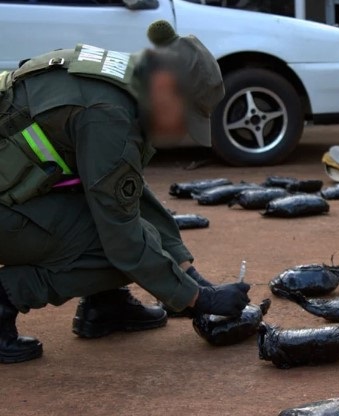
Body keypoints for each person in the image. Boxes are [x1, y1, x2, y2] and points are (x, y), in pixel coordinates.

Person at [0, 20, 251, 364]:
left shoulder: (119, 76)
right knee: (120, 246)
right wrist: (197, 299)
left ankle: (105, 304)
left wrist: (188, 273)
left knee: (117, 219)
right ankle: (4, 297)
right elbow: (123, 235)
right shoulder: (109, 115)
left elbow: (121, 188)